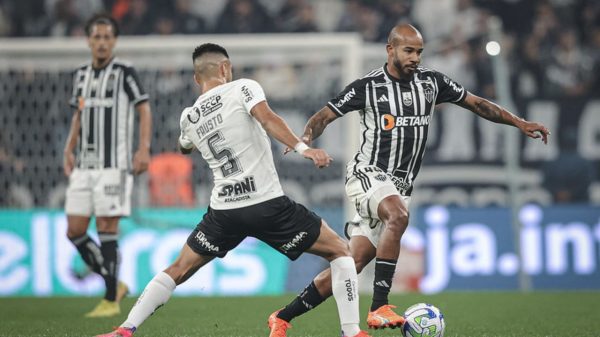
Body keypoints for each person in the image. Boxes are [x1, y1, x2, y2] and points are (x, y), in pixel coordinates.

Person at [269, 23, 551, 335]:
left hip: (401, 186)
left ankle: (282, 316)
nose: (415, 57)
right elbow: (323, 116)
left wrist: (519, 122)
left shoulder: (432, 83)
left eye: (419, 51)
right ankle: (379, 305)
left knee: (354, 260)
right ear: (390, 50)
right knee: (398, 215)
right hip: (367, 173)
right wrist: (305, 140)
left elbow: (478, 104)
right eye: (408, 50)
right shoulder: (368, 86)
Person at [95, 43, 371, 337]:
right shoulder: (243, 88)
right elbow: (268, 119)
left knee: (179, 268)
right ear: (225, 68)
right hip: (266, 204)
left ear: (196, 78)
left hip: (224, 212)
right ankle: (351, 332)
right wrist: (304, 148)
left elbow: (183, 146)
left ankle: (125, 329)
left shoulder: (188, 117)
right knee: (341, 251)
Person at [63, 13, 152, 317]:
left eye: (107, 37)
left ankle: (110, 298)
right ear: (88, 40)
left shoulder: (125, 72)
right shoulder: (80, 75)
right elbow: (78, 115)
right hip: (84, 165)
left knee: (106, 228)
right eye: (97, 37)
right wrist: (68, 147)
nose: (101, 42)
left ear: (114, 41)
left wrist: (143, 149)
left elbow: (144, 108)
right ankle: (115, 283)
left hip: (114, 165)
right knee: (74, 230)